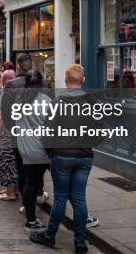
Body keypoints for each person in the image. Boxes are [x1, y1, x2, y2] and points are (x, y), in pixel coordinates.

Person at [30, 64, 97, 253]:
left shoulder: (58, 103)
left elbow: (46, 134)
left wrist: (51, 151)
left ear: (67, 82)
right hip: (84, 157)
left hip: (63, 155)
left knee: (60, 198)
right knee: (80, 199)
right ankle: (80, 244)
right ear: (82, 80)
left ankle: (50, 236)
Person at [3, 54, 50, 213]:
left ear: (19, 65)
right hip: (40, 133)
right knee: (38, 167)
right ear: (31, 64)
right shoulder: (43, 81)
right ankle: (37, 194)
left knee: (23, 170)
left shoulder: (11, 85)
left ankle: (27, 202)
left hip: (19, 133)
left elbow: (7, 113)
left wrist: (13, 129)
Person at [17, 70, 52, 232]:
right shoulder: (45, 101)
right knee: (34, 183)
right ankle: (31, 221)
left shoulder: (20, 99)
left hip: (24, 148)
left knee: (29, 183)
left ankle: (30, 219)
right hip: (40, 150)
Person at [0, 70, 18, 201]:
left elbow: (1, 118)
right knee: (14, 162)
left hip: (6, 133)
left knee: (7, 162)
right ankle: (12, 189)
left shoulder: (6, 94)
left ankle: (10, 192)